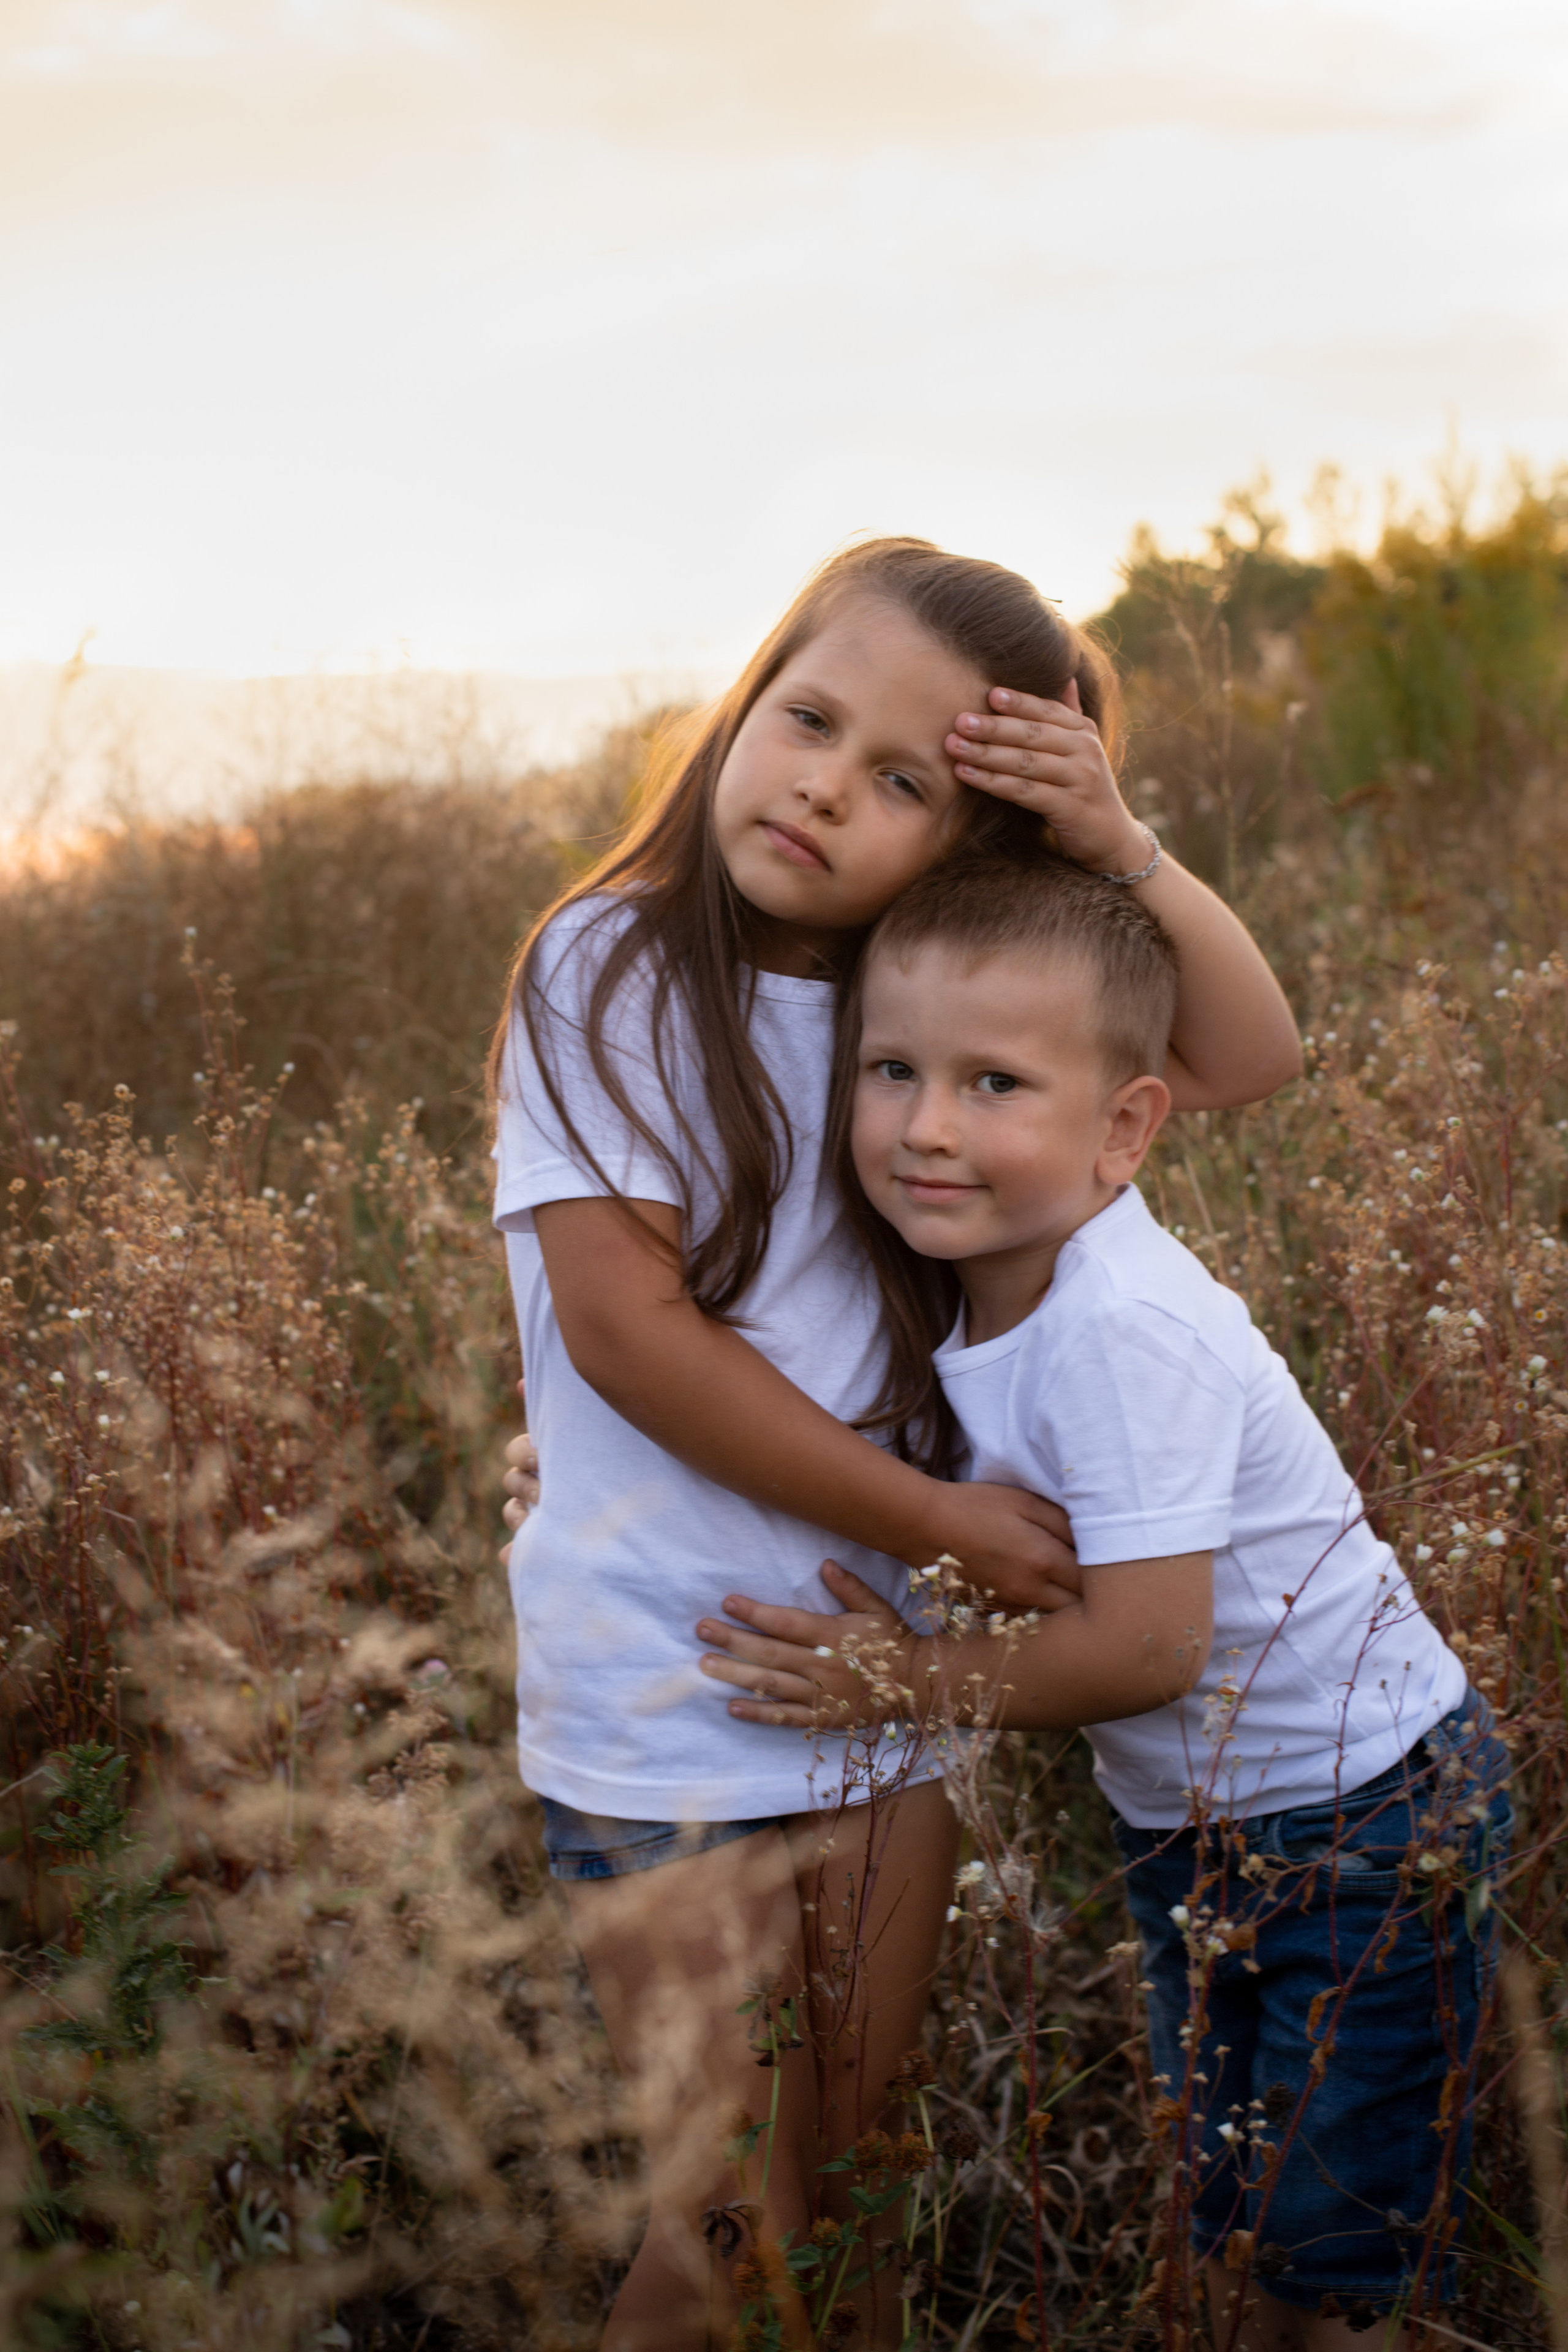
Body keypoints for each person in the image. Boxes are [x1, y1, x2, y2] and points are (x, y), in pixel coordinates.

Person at [489, 538, 1302, 2350]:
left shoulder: (921, 994)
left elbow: (1246, 1056)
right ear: (747, 699)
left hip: (884, 1689)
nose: (823, 787)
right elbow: (631, 1330)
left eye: (904, 782)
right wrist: (934, 1510)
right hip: (668, 1681)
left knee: (853, 2189)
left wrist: (1113, 842)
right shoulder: (610, 963)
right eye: (808, 719)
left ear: (970, 840)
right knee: (727, 2239)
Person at [698, 856, 1511, 2352]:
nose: (927, 1127)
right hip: (1196, 1830)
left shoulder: (1117, 1330)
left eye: (995, 1083)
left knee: (1327, 2255)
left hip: (1367, 1824)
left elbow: (1148, 1648)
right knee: (1215, 2215)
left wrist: (903, 1680)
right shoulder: (958, 1275)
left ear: (1123, 1129)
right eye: (892, 1071)